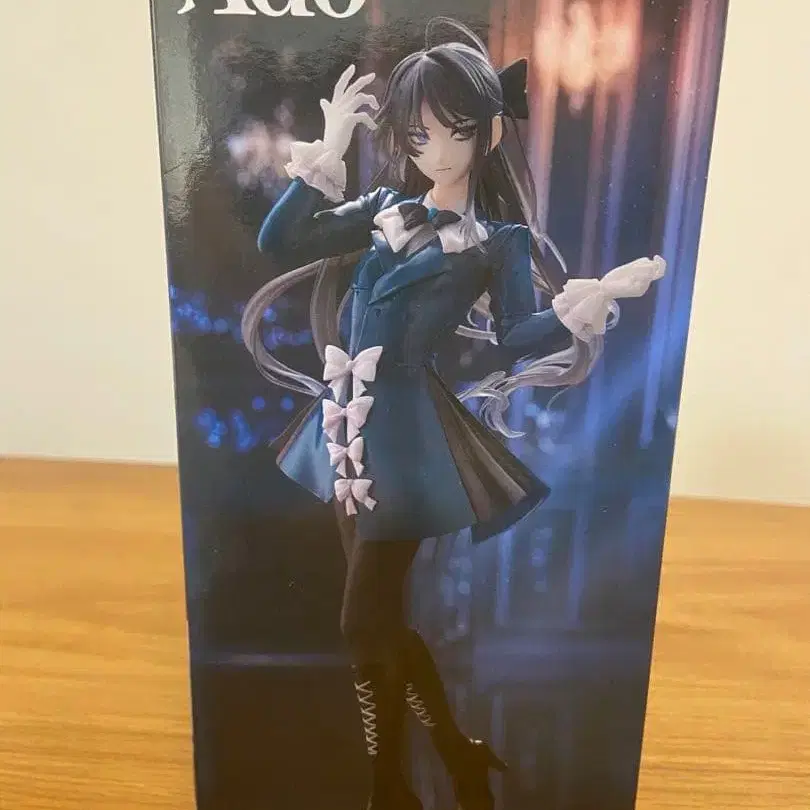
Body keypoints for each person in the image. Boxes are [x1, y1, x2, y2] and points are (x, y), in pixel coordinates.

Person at [241, 17, 665, 810]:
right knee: (378, 623)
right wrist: (329, 148)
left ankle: (391, 784)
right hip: (344, 430)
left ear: (488, 132)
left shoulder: (498, 241)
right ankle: (451, 758)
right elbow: (279, 240)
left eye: (456, 131)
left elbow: (516, 337)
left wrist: (588, 302)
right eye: (419, 135)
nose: (436, 151)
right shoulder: (383, 207)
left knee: (361, 622)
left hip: (407, 441)